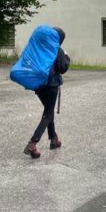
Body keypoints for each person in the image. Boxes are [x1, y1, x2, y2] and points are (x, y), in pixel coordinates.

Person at [24, 27, 70, 159]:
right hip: (51, 85)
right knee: (48, 113)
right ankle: (33, 142)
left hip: (38, 86)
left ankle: (54, 139)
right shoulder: (57, 50)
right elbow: (62, 68)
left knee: (48, 110)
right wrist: (66, 57)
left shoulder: (39, 48)